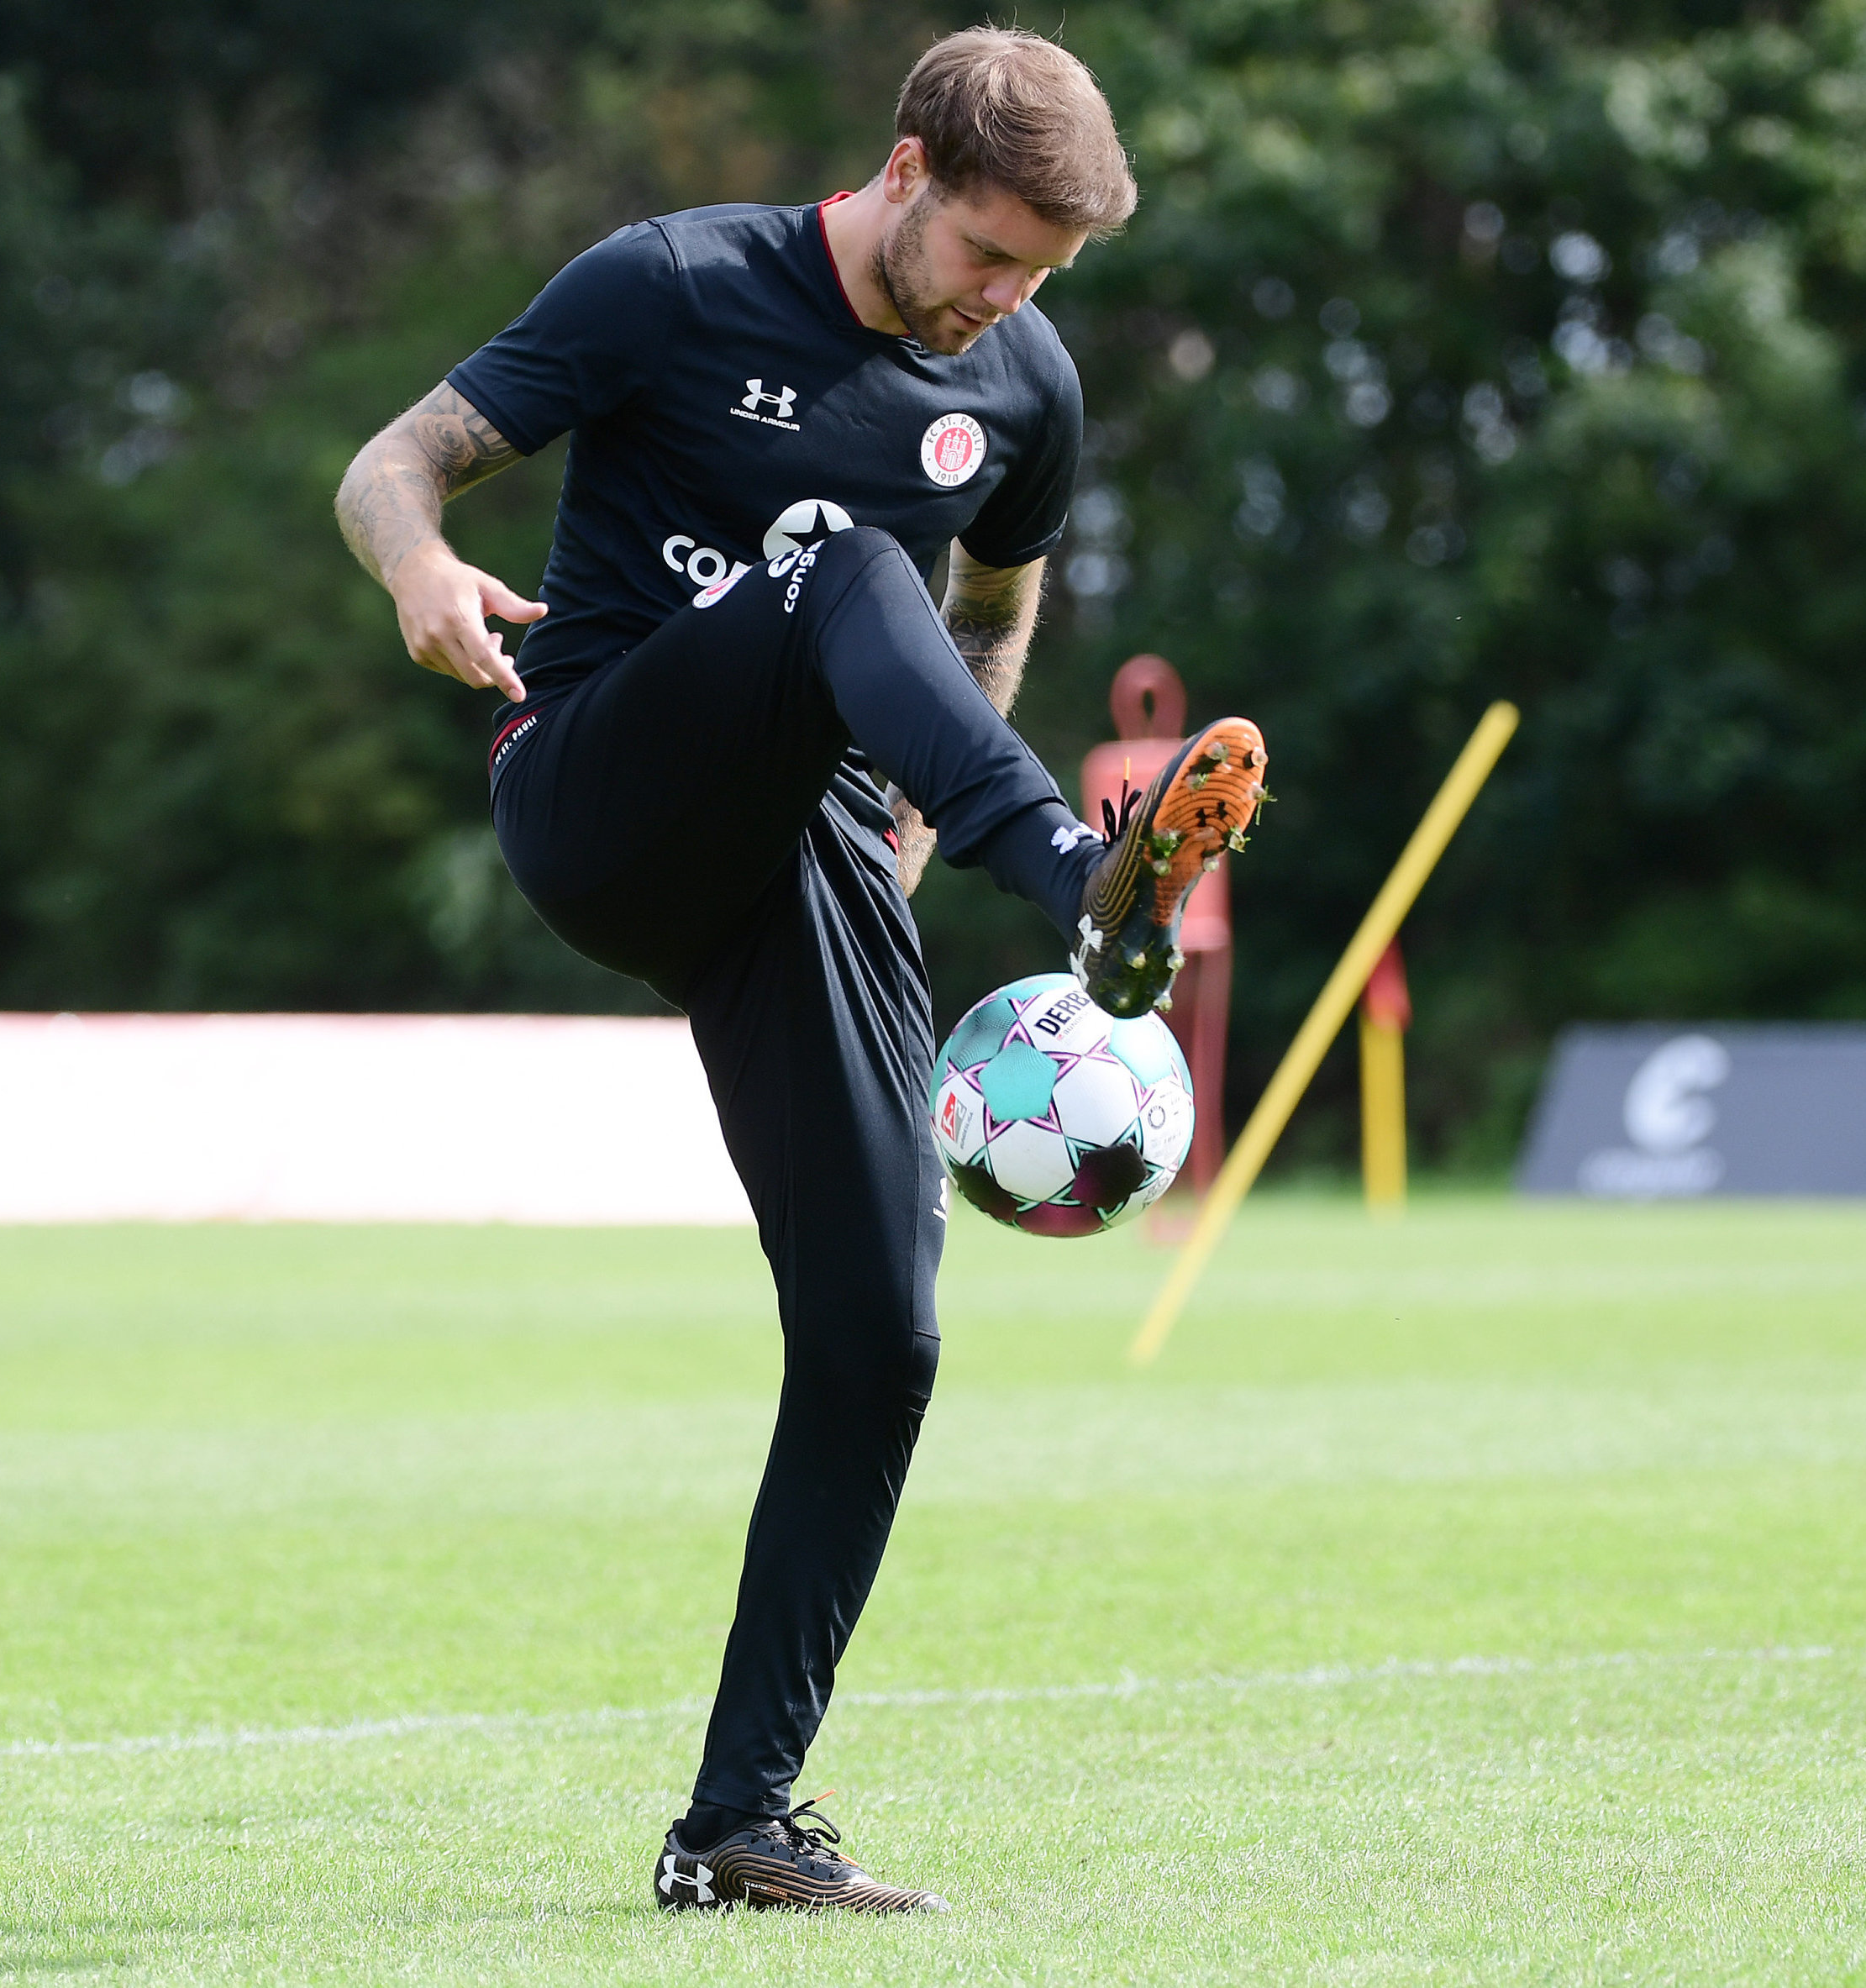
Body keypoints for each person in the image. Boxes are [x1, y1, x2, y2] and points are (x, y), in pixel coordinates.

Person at [333, 26, 1265, 1914]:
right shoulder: (669, 281)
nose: (1003, 303)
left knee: (880, 1330)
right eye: (989, 255)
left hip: (817, 851)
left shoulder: (1021, 382)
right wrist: (418, 569)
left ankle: (734, 1824)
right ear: (905, 169)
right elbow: (394, 461)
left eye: (1040, 280)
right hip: (597, 778)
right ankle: (1085, 882)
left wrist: (921, 817)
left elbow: (994, 613)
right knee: (846, 567)